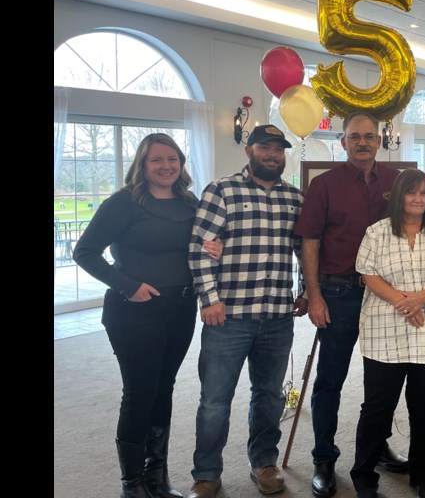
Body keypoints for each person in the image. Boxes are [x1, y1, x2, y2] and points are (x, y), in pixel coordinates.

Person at [73, 133, 218, 498]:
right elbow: (85, 252)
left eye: (173, 159)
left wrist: (213, 247)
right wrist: (127, 285)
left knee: (163, 390)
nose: (166, 166)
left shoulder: (189, 202)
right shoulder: (124, 203)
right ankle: (132, 483)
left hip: (181, 308)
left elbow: (198, 246)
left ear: (181, 164)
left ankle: (157, 477)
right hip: (134, 311)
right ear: (143, 163)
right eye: (157, 160)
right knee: (139, 393)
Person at [293, 111, 407, 498]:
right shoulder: (324, 185)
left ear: (380, 141)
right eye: (355, 136)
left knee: (384, 380)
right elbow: (309, 241)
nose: (362, 142)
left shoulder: (397, 182)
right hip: (337, 292)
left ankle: (376, 448)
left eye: (369, 136)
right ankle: (324, 457)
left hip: (384, 294)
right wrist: (315, 295)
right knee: (330, 380)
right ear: (343, 142)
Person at [186, 124, 303, 498]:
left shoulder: (294, 198)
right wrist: (209, 299)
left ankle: (264, 463)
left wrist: (304, 290)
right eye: (265, 147)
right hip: (228, 318)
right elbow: (200, 249)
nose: (273, 154)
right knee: (215, 401)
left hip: (278, 317)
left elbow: (304, 250)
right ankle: (206, 474)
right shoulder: (221, 191)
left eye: (279, 149)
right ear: (249, 151)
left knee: (269, 396)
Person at [350, 169, 425, 498]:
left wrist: (421, 298)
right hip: (385, 330)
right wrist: (405, 302)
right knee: (377, 408)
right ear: (398, 195)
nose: (417, 199)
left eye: (424, 193)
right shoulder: (377, 233)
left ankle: (422, 474)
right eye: (411, 192)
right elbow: (368, 274)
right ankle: (364, 475)